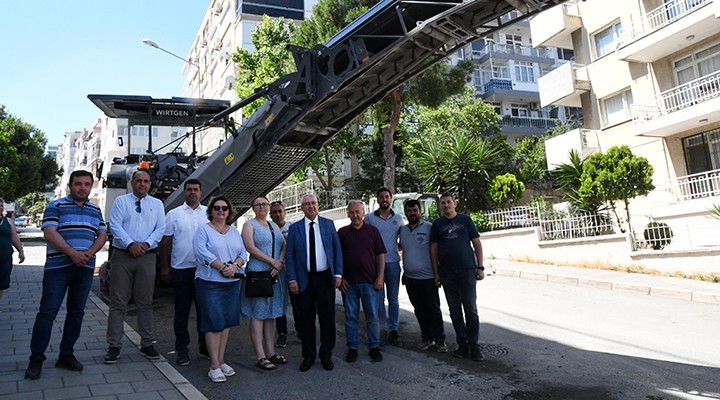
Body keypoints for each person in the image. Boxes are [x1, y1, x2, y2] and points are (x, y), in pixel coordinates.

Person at [23, 171, 107, 380]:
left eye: (87, 184)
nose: (83, 188)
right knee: (47, 313)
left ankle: (66, 355)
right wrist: (72, 253)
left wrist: (87, 254)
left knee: (76, 313)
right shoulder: (56, 205)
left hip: (84, 268)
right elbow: (49, 232)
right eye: (78, 184)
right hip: (58, 268)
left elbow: (102, 234)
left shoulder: (95, 209)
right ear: (70, 185)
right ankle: (36, 359)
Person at [104, 169, 166, 364]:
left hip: (147, 256)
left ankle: (147, 343)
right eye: (138, 180)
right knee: (118, 302)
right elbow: (115, 225)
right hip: (123, 255)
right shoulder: (122, 202)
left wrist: (146, 245)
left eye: (146, 181)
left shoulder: (157, 204)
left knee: (145, 301)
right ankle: (114, 345)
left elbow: (161, 228)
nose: (142, 184)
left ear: (150, 184)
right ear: (132, 183)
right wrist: (130, 244)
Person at [286, 193, 343, 372]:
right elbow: (290, 256)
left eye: (313, 203)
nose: (311, 206)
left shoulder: (328, 224)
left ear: (318, 206)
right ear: (302, 208)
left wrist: (339, 274)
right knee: (306, 320)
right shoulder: (295, 228)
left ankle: (326, 354)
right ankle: (308, 355)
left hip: (325, 278)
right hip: (304, 279)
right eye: (307, 204)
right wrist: (292, 278)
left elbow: (337, 250)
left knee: (327, 319)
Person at [193, 196, 247, 383]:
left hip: (231, 284)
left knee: (225, 324)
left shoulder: (234, 232)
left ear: (229, 211)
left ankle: (221, 360)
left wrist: (235, 266)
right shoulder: (203, 230)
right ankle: (214, 365)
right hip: (209, 283)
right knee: (214, 323)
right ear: (211, 211)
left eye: (224, 208)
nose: (221, 211)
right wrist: (223, 267)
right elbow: (202, 252)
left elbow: (242, 253)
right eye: (217, 208)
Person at [430, 193, 485, 362]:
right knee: (454, 309)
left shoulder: (465, 220)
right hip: (446, 273)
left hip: (467, 270)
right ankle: (462, 344)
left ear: (455, 204)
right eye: (443, 203)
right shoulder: (437, 225)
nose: (446, 205)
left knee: (470, 309)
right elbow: (433, 250)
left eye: (448, 202)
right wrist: (436, 273)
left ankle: (474, 345)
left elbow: (476, 243)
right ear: (440, 206)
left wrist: (480, 266)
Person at [159, 178, 208, 366]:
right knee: (182, 311)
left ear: (201, 192)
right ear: (184, 192)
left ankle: (204, 347)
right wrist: (164, 267)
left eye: (195, 189)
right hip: (181, 270)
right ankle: (182, 349)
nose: (192, 192)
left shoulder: (208, 213)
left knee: (204, 311)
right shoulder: (173, 214)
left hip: (204, 270)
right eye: (189, 189)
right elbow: (166, 242)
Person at [240, 196, 288, 370]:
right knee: (258, 314)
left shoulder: (273, 225)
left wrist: (280, 262)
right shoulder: (249, 225)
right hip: (259, 273)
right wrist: (271, 261)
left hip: (275, 274)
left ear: (268, 207)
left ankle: (270, 352)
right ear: (253, 208)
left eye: (264, 204)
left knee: (271, 314)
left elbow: (284, 245)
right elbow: (250, 248)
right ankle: (259, 355)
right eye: (258, 204)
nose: (261, 207)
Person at [337, 200, 385, 363]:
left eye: (358, 212)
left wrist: (380, 277)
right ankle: (352, 348)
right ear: (348, 214)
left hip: (370, 282)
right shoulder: (342, 232)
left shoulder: (373, 231)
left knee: (372, 315)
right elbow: (337, 257)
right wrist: (340, 277)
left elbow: (381, 255)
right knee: (351, 316)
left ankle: (374, 347)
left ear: (363, 213)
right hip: (348, 284)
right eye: (352, 212)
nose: (355, 215)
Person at [398, 199, 447, 353]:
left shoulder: (429, 228)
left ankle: (440, 340)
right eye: (409, 211)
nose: (412, 213)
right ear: (406, 212)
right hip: (410, 279)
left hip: (428, 278)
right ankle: (427, 337)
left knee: (433, 309)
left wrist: (437, 274)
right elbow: (401, 248)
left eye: (415, 210)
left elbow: (437, 250)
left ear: (420, 211)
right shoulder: (402, 230)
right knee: (419, 310)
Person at [363, 187, 403, 345]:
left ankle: (393, 330)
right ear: (377, 200)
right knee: (379, 299)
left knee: (393, 299)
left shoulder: (398, 218)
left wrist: (396, 250)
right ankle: (380, 329)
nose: (384, 199)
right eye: (381, 197)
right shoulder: (369, 219)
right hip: (375, 266)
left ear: (391, 199)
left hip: (393, 264)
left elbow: (403, 240)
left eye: (387, 197)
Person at [269, 200, 299, 348]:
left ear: (285, 212)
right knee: (280, 305)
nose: (278, 214)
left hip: (293, 271)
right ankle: (282, 333)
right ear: (270, 214)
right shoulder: (268, 229)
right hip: (276, 272)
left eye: (280, 211)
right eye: (274, 212)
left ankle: (301, 331)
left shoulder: (293, 227)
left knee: (297, 303)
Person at [0, 198, 25, 303]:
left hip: (5, 258)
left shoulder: (8, 221)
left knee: (1, 285)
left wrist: (21, 251)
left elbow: (14, 237)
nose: (0, 208)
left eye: (1, 206)